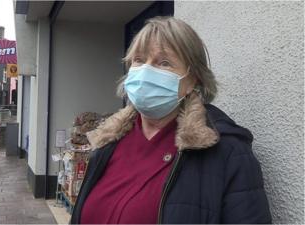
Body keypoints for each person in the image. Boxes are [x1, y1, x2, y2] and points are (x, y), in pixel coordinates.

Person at [70, 17, 272, 224]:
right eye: (139, 60)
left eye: (164, 63)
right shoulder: (108, 142)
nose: (146, 71)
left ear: (193, 79)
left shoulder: (227, 151)